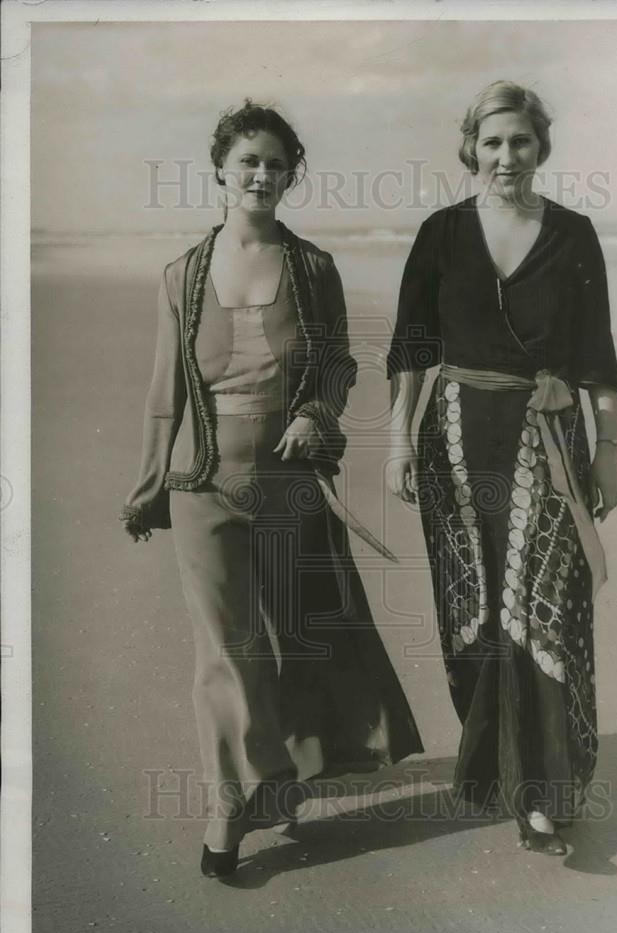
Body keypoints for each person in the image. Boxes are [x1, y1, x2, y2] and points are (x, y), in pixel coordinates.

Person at [122, 100, 423, 878]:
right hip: (202, 481)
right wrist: (152, 482)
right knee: (226, 651)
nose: (261, 173)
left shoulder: (313, 268)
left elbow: (335, 364)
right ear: (221, 169)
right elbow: (164, 392)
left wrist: (318, 412)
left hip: (288, 478)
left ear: (292, 176)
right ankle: (228, 812)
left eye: (276, 163)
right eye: (248, 160)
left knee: (298, 637)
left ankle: (277, 785)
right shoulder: (180, 274)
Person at [386, 81, 617, 856]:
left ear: (539, 147)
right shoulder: (440, 233)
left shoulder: (573, 235)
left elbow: (595, 357)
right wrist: (396, 439)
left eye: (519, 141)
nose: (505, 156)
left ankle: (541, 795)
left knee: (540, 605)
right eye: (491, 142)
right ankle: (496, 766)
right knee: (479, 611)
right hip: (453, 441)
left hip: (548, 438)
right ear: (471, 149)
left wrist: (609, 451)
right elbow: (412, 349)